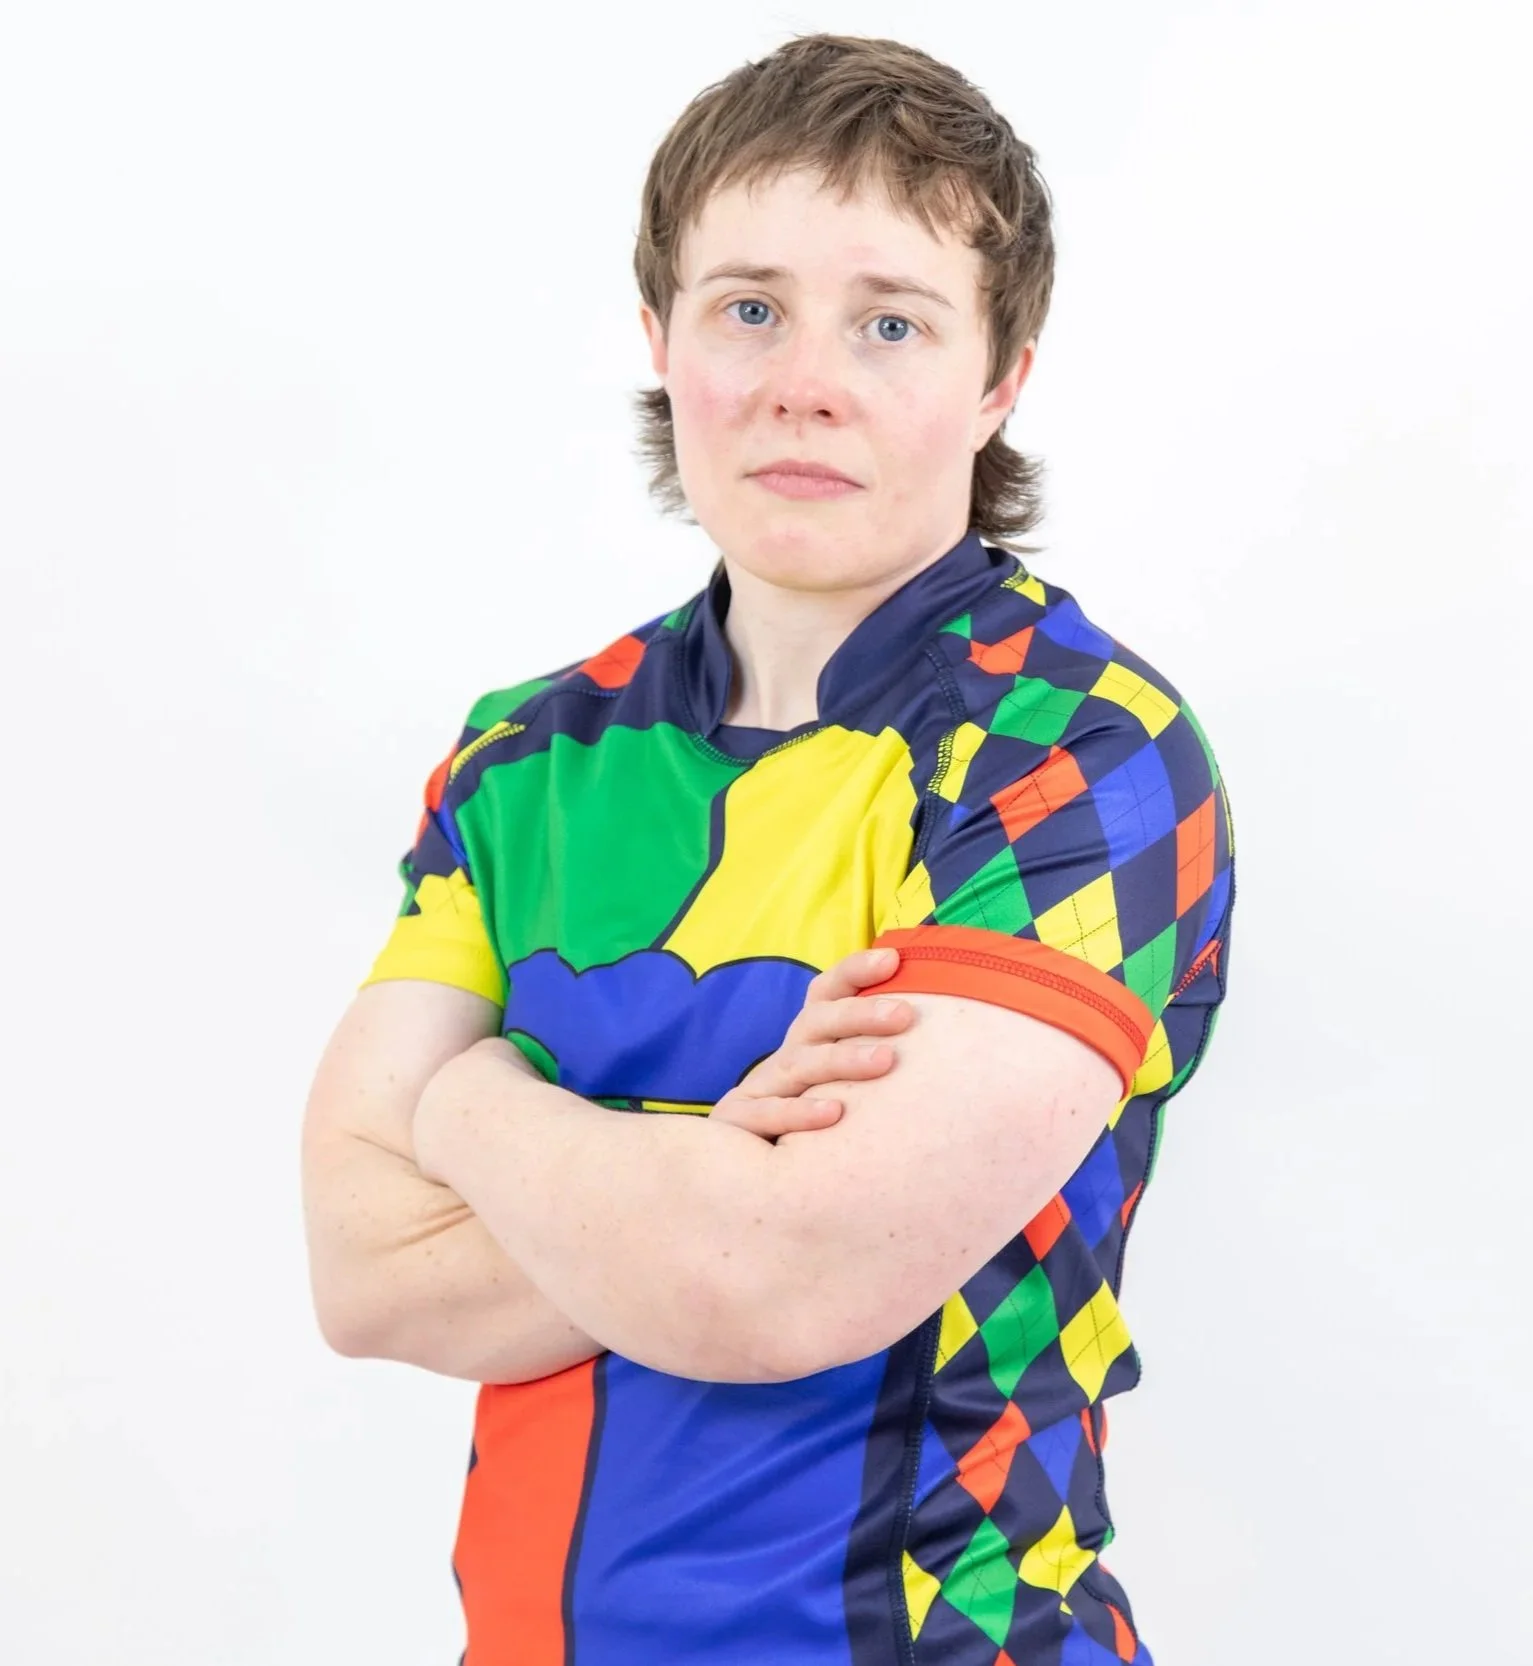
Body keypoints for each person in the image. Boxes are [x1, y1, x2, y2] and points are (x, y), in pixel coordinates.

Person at [301, 31, 1235, 1666]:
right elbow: (364, 1274)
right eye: (749, 308)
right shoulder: (526, 755)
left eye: (890, 322)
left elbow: (773, 1288)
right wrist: (708, 1181)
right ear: (660, 338)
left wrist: (467, 1105)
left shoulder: (1075, 754)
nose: (806, 380)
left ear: (999, 377)